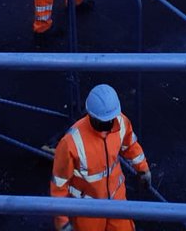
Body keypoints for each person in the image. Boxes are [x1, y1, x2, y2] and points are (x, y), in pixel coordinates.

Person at [50, 83, 152, 231]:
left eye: (110, 120)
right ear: (90, 115)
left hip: (117, 201)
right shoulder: (71, 142)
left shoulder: (121, 123)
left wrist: (143, 168)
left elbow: (130, 145)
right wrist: (62, 221)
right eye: (103, 121)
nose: (108, 125)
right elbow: (59, 184)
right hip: (87, 209)